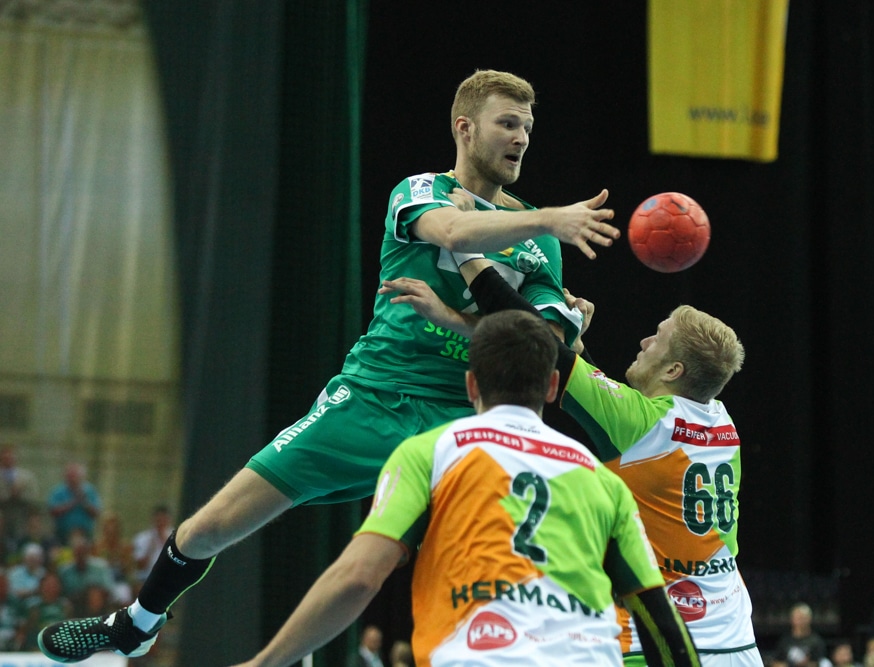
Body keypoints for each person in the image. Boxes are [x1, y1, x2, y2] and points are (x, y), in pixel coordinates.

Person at [37, 68, 620, 662]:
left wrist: (458, 319)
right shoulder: (422, 192)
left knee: (417, 567)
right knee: (214, 524)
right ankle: (136, 624)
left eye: (527, 126)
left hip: (459, 420)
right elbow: (453, 229)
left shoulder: (539, 243)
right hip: (373, 394)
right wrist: (550, 217)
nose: (521, 137)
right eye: (507, 123)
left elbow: (539, 339)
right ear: (464, 128)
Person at [228, 311, 699, 667]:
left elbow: (357, 577)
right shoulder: (601, 481)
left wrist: (264, 662)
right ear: (554, 386)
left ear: (471, 384)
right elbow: (661, 625)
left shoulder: (432, 453)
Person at [379, 252, 755, 667]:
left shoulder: (640, 423)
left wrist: (468, 259)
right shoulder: (721, 422)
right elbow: (612, 412)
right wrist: (574, 345)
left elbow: (537, 343)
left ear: (673, 371)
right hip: (735, 636)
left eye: (657, 339)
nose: (645, 342)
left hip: (655, 643)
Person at [46, 462, 102, 544]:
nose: (72, 479)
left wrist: (85, 502)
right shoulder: (58, 491)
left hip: (85, 535)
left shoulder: (90, 491)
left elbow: (97, 512)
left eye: (74, 476)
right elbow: (52, 511)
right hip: (62, 535)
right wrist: (72, 503)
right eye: (70, 476)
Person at [0, 442, 41, 542]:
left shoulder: (27, 477)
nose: (8, 459)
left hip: (22, 519)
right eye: (5, 457)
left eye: (11, 456)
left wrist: (20, 494)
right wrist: (9, 494)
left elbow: (34, 498)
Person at [130, 505, 173, 588]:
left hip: (168, 578)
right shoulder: (142, 538)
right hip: (145, 578)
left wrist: (165, 542)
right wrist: (150, 547)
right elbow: (140, 566)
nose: (161, 524)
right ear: (153, 520)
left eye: (163, 521)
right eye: (158, 520)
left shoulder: (176, 538)